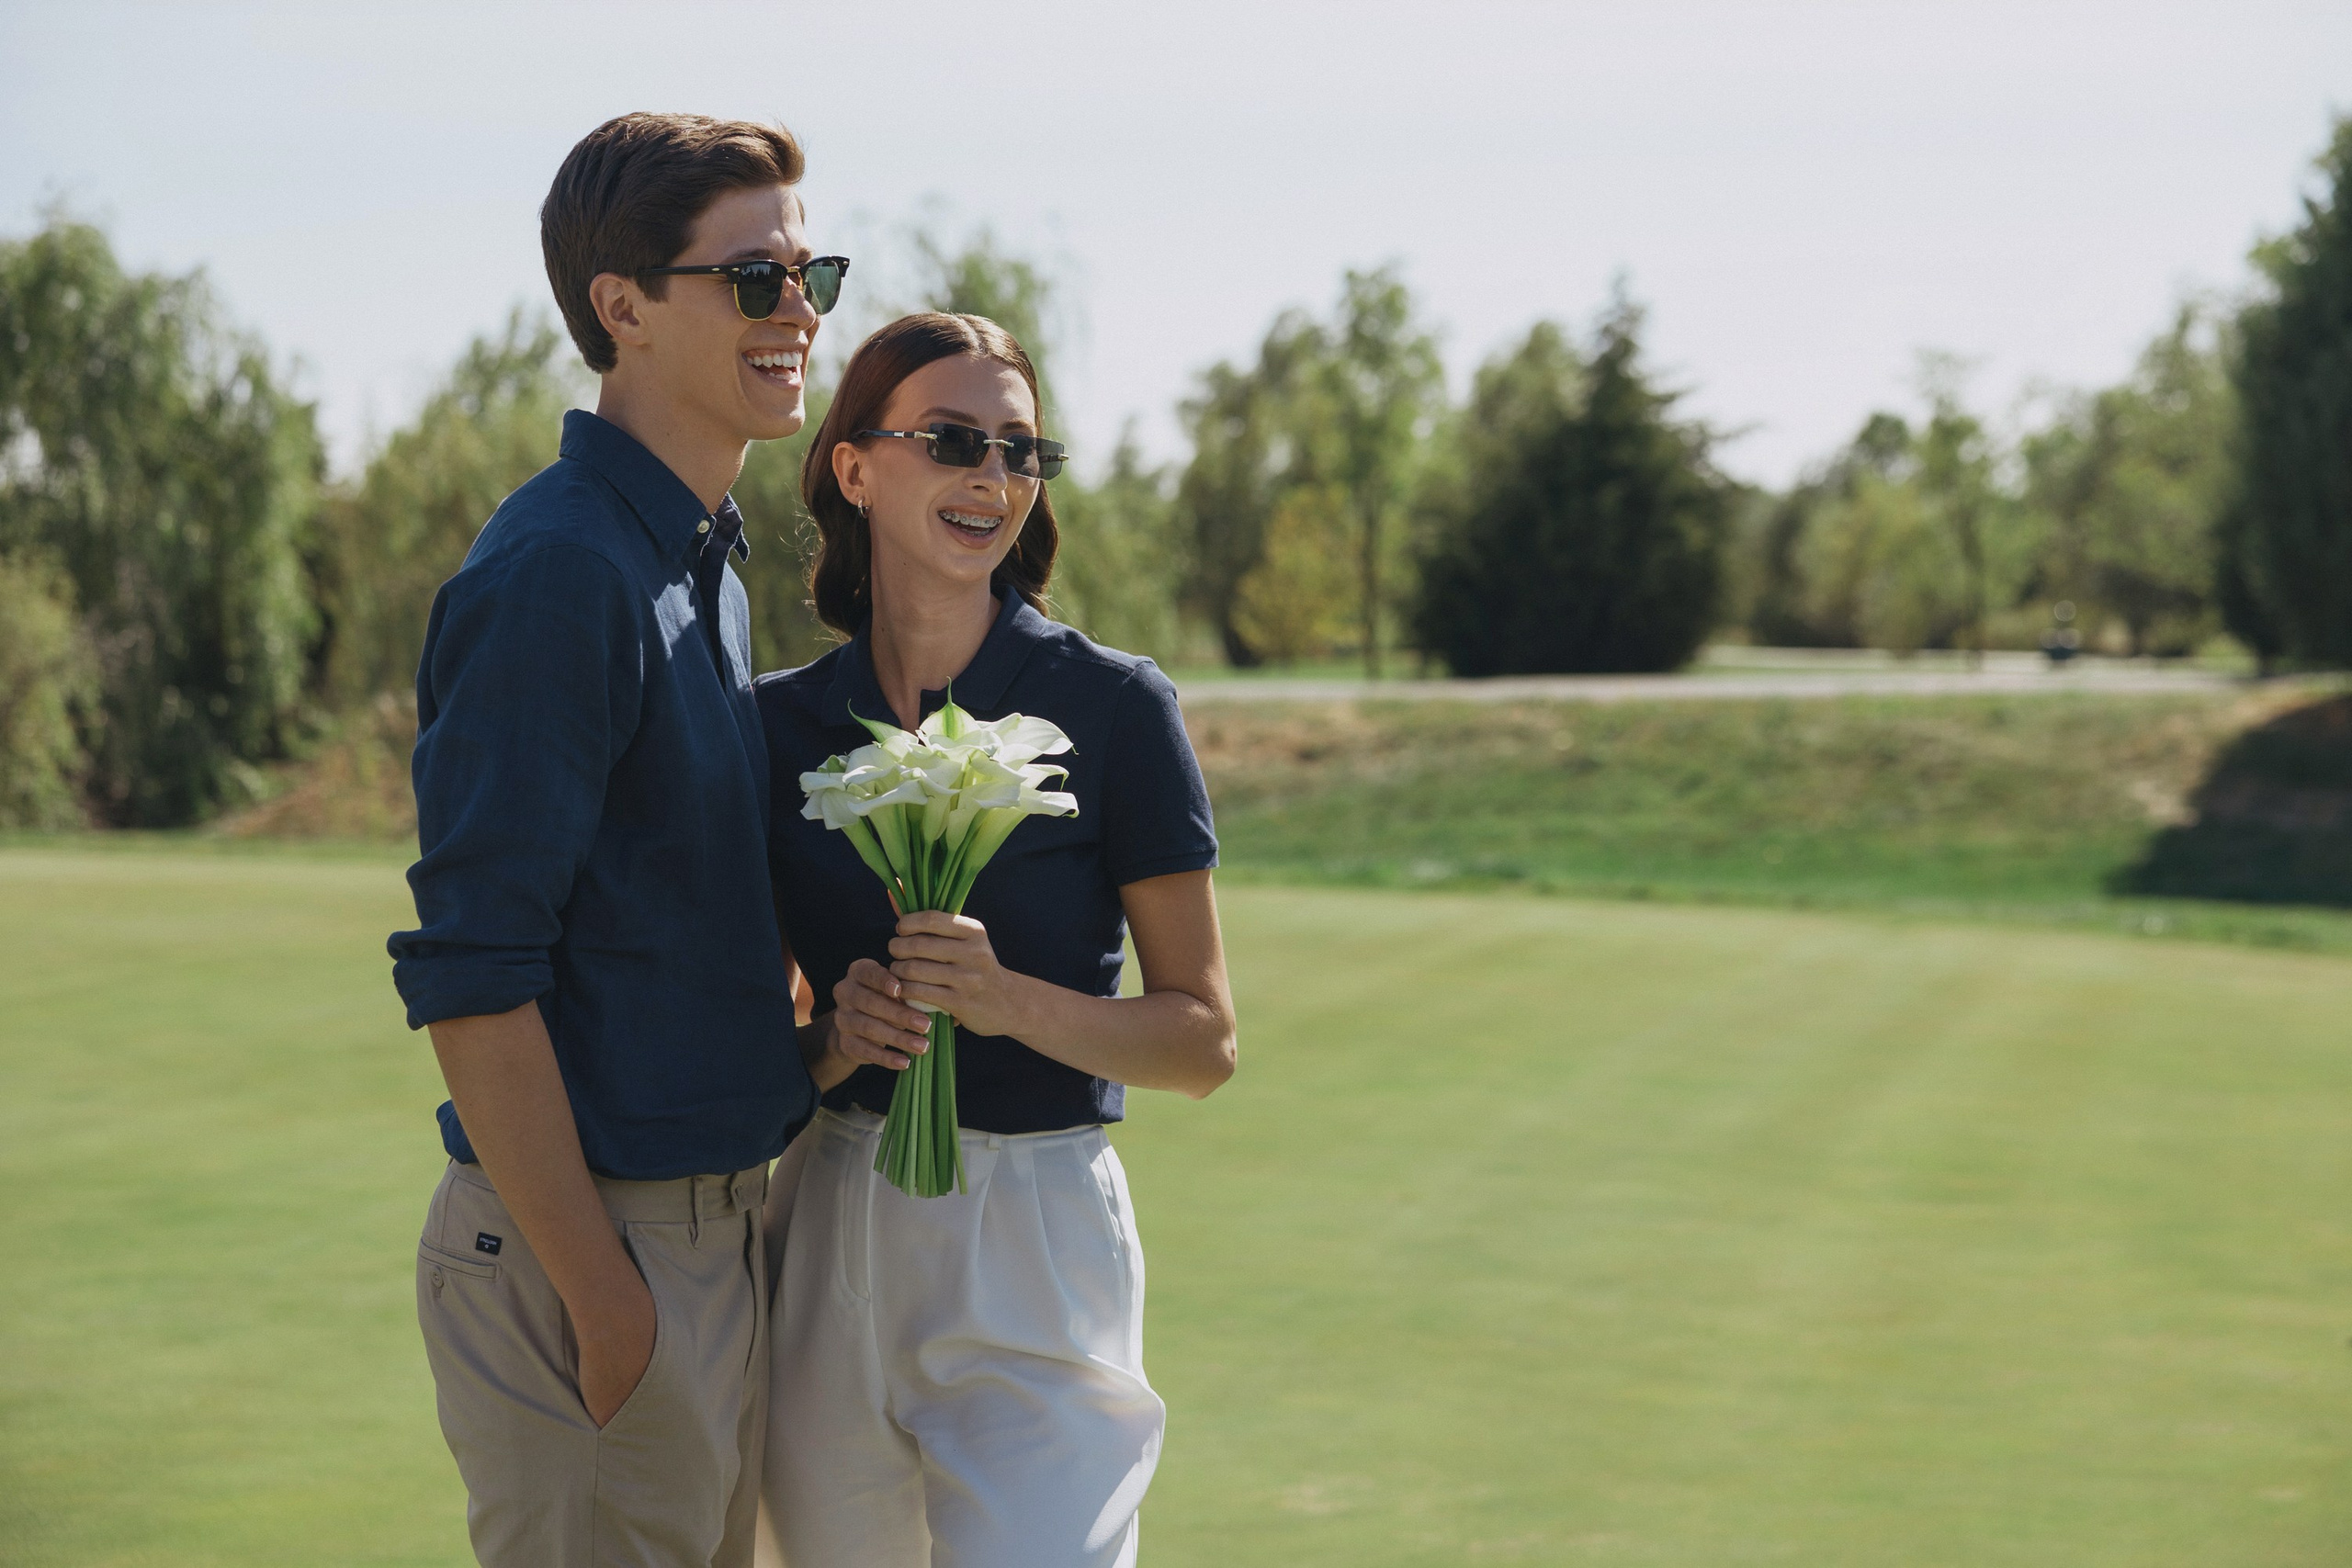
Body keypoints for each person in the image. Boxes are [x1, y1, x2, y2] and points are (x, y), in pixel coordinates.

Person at [388, 112, 884, 1568]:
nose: (799, 313)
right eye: (754, 280)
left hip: (707, 1247)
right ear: (622, 309)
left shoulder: (698, 563)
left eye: (810, 275)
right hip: (597, 1265)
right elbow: (474, 972)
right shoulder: (560, 572)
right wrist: (609, 1308)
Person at [753, 312, 1240, 1566]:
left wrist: (1007, 998)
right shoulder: (774, 728)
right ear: (854, 468)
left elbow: (1201, 1041)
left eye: (1022, 452)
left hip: (1038, 1233)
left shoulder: (1117, 707)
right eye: (954, 440)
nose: (993, 477)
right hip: (834, 1214)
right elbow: (745, 1027)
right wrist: (826, 1043)